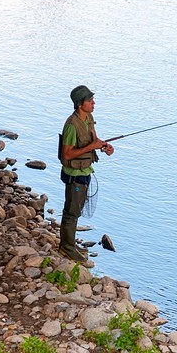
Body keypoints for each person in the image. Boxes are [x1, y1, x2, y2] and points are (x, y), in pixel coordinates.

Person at [59, 85, 114, 262]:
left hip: (85, 169)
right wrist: (92, 147)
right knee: (72, 211)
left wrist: (104, 146)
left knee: (77, 208)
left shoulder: (88, 118)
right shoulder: (71, 125)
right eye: (90, 101)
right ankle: (66, 248)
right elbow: (66, 154)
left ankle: (69, 243)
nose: (93, 103)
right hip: (74, 173)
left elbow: (94, 140)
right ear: (80, 104)